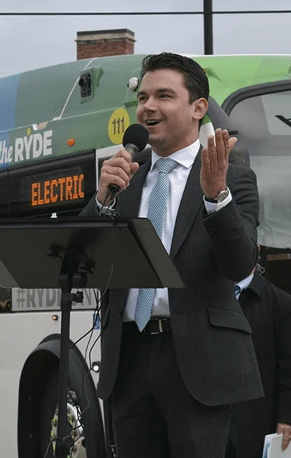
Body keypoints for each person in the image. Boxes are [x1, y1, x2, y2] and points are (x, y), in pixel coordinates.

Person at [80, 52, 263, 458]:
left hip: (197, 360)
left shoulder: (232, 178)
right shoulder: (124, 176)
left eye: (164, 95)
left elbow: (241, 264)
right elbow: (80, 259)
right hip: (128, 357)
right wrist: (101, 199)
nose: (147, 106)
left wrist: (217, 198)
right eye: (142, 97)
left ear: (198, 107)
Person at [226, 265, 291, 458]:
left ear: (255, 250)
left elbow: (290, 368)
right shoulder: (204, 295)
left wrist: (287, 418)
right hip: (211, 420)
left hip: (259, 418)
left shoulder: (280, 302)